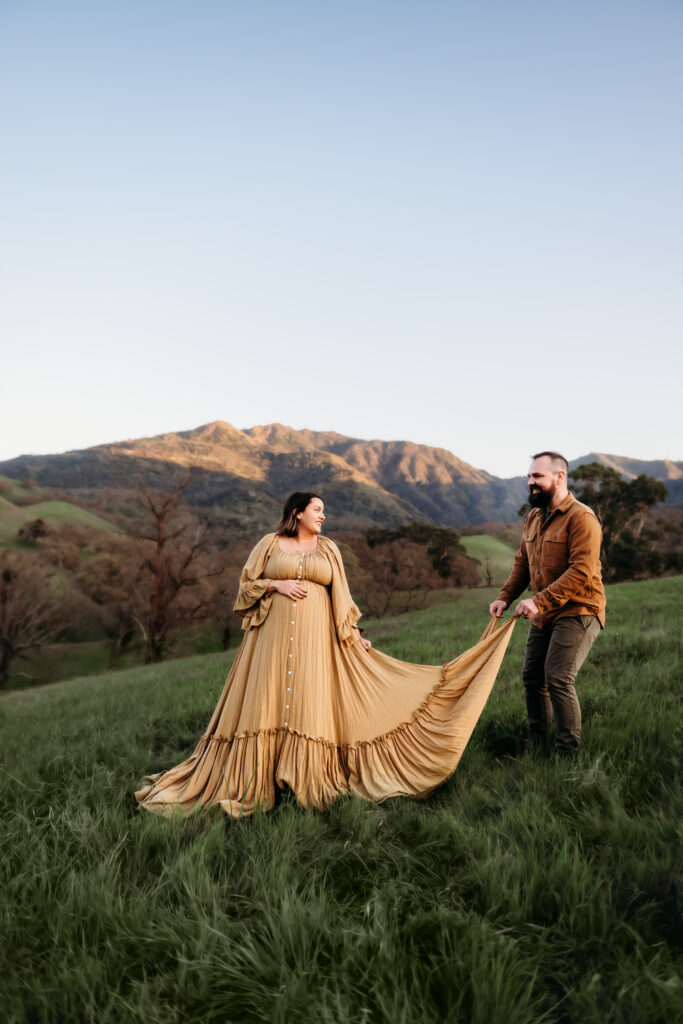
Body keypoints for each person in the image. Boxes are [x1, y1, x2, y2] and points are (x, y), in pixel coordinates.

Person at [136, 491, 516, 818]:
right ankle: (256, 779)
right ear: (298, 512)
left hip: (317, 643)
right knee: (265, 700)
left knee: (307, 702)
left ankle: (301, 777)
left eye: (324, 511)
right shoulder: (269, 544)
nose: (323, 515)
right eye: (317, 509)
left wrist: (353, 635)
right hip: (267, 642)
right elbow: (245, 588)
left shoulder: (329, 549)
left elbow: (342, 598)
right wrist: (276, 584)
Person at [490, 452, 605, 754]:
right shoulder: (534, 517)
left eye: (537, 477)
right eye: (529, 477)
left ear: (559, 477)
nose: (531, 483)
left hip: (579, 609)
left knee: (557, 677)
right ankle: (536, 746)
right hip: (545, 611)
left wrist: (539, 601)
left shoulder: (582, 518)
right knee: (532, 676)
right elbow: (522, 564)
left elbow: (580, 571)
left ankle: (566, 754)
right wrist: (505, 597)